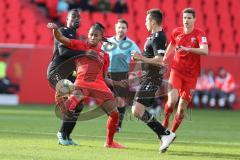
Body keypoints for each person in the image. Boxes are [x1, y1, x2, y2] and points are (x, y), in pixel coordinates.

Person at [47, 22, 127, 148]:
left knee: (115, 113)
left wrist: (117, 83)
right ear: (88, 35)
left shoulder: (105, 56)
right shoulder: (81, 45)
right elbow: (61, 39)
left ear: (101, 37)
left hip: (99, 84)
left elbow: (104, 78)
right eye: (91, 35)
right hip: (83, 82)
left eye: (96, 35)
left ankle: (109, 142)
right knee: (72, 104)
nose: (93, 37)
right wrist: (55, 30)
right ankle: (62, 101)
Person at [131, 9, 176, 153]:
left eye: (146, 20)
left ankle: (165, 134)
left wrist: (140, 58)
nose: (144, 23)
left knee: (136, 110)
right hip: (148, 77)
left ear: (153, 21)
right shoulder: (152, 37)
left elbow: (159, 60)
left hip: (152, 79)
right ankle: (164, 134)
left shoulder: (158, 37)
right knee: (138, 111)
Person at [162, 8, 209, 132]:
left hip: (191, 76)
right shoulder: (176, 32)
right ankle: (165, 121)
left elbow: (205, 51)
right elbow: (172, 44)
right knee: (172, 101)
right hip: (176, 71)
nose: (186, 20)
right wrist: (165, 57)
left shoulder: (200, 34)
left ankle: (171, 133)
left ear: (194, 19)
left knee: (182, 108)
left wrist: (188, 49)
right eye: (184, 18)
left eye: (189, 18)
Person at [47, 9, 83, 146]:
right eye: (74, 16)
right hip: (56, 72)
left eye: (79, 16)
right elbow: (64, 51)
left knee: (79, 103)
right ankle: (62, 133)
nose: (77, 18)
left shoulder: (75, 35)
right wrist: (84, 52)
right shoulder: (63, 31)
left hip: (66, 74)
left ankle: (66, 136)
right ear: (67, 19)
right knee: (75, 99)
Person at [102, 19, 141, 132]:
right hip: (106, 74)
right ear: (115, 28)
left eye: (123, 28)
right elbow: (99, 55)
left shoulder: (131, 44)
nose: (121, 30)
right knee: (105, 101)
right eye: (119, 27)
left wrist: (133, 74)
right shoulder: (107, 41)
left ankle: (117, 125)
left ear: (127, 30)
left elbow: (139, 59)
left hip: (122, 75)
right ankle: (112, 119)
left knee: (120, 101)